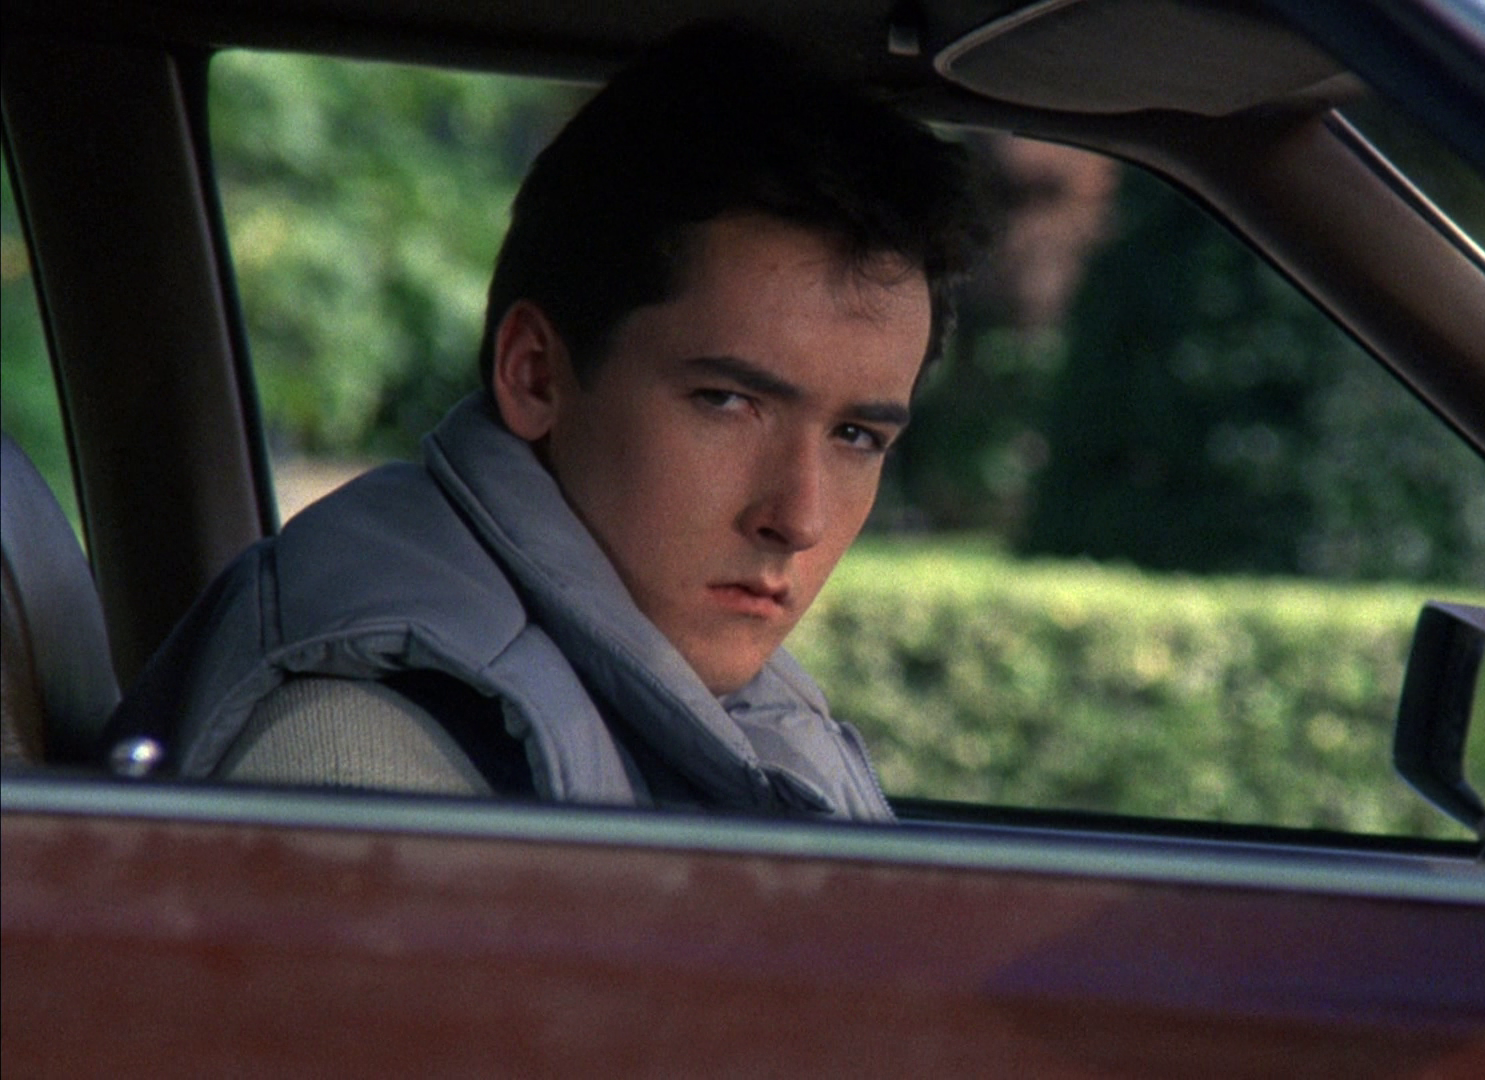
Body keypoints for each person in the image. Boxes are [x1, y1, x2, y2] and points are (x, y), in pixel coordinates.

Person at [104, 24, 988, 820]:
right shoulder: (364, 757)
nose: (797, 517)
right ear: (534, 376)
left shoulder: (711, 699)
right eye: (728, 401)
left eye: (856, 437)